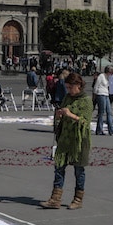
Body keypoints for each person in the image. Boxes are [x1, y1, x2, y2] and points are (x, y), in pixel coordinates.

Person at [41, 72, 93, 210]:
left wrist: (70, 115)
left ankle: (78, 199)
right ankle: (55, 198)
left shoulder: (86, 100)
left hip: (79, 140)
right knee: (59, 167)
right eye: (67, 87)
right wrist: (58, 115)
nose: (69, 90)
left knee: (78, 170)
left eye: (71, 87)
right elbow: (60, 116)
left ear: (78, 85)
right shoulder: (67, 98)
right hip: (65, 138)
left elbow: (85, 123)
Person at [93, 66, 113, 136]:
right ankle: (99, 130)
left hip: (106, 94)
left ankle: (111, 129)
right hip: (100, 94)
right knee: (101, 112)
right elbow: (96, 86)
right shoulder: (101, 76)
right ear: (107, 71)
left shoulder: (107, 77)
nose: (110, 74)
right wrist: (95, 96)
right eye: (110, 72)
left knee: (109, 112)